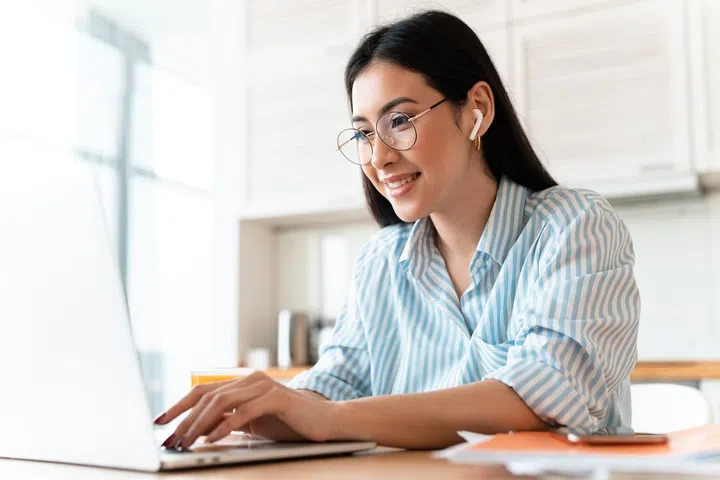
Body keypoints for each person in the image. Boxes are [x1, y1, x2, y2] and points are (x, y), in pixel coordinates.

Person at [155, 10, 640, 450]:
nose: (379, 156)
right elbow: (330, 389)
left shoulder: (573, 227)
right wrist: (259, 407)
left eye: (400, 120)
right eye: (364, 132)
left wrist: (327, 417)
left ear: (477, 110)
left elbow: (543, 399)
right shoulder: (382, 262)